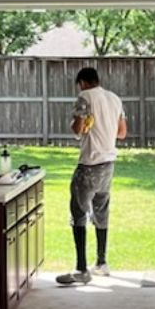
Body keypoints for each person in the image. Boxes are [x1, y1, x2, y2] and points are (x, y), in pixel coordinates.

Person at [57, 66, 126, 285]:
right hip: (108, 164)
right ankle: (102, 263)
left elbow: (78, 128)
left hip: (89, 164)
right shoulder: (114, 98)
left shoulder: (84, 96)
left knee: (78, 213)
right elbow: (122, 133)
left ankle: (81, 269)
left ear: (83, 83)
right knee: (101, 211)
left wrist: (80, 124)